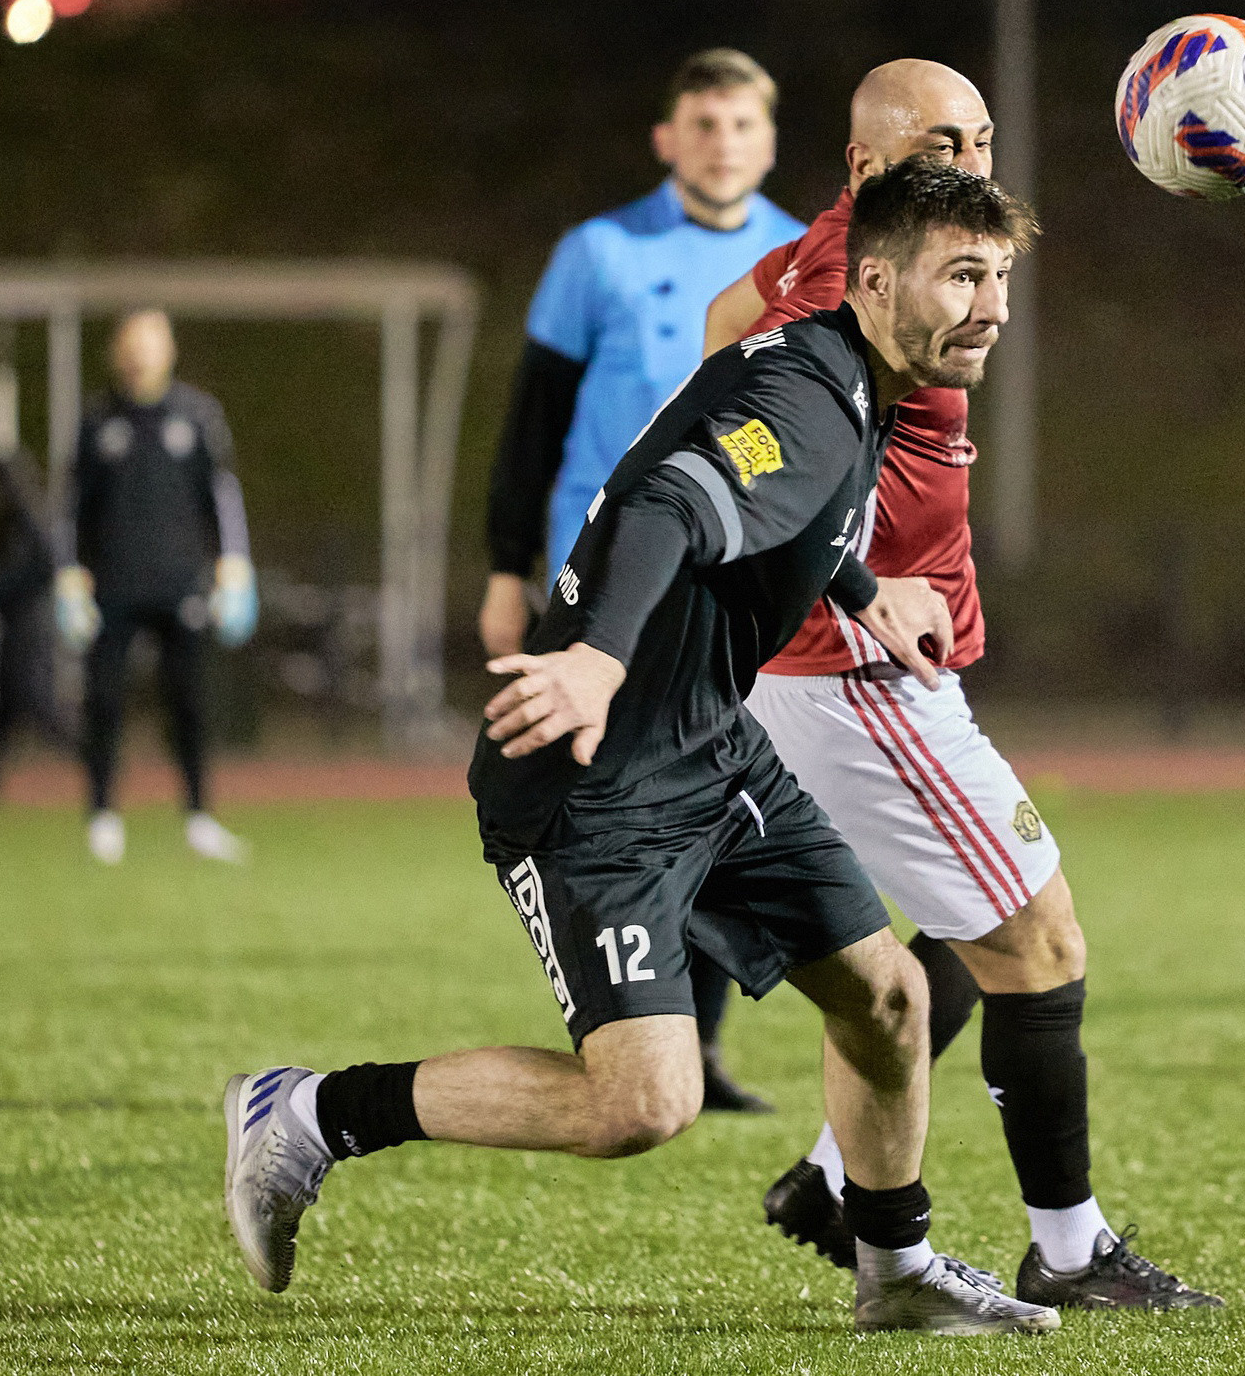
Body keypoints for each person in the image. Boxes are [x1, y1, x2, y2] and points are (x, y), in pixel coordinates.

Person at [221, 158, 1062, 1336]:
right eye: (964, 274)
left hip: (710, 748)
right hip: (593, 781)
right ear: (876, 279)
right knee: (641, 1104)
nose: (993, 306)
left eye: (1003, 277)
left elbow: (781, 519)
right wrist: (600, 660)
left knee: (887, 1000)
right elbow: (674, 497)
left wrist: (865, 589)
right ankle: (308, 1112)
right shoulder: (812, 408)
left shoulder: (843, 370)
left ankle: (897, 1265)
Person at [708, 60, 1221, 1311]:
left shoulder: (831, 250)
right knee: (1039, 940)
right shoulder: (851, 278)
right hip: (858, 670)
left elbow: (728, 324)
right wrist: (861, 567)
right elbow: (772, 432)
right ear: (869, 166)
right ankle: (1071, 1244)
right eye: (946, 140)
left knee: (952, 935)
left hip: (835, 668)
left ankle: (837, 1179)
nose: (976, 162)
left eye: (985, 137)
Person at [482, 47, 802, 1113]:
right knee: (607, 796)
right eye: (703, 123)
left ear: (769, 138)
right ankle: (621, 1019)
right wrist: (500, 564)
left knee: (711, 789)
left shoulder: (799, 257)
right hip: (599, 565)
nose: (723, 143)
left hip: (728, 577)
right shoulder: (599, 253)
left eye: (742, 124)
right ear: (668, 138)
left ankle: (696, 1050)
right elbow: (533, 418)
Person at [57, 309, 257, 864]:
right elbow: (73, 511)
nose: (141, 353)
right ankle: (101, 815)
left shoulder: (197, 417)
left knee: (189, 703)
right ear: (116, 352)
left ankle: (199, 815)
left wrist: (234, 567)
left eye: (152, 341)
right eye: (132, 342)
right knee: (103, 702)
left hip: (181, 586)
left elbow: (222, 499)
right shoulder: (97, 423)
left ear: (170, 350)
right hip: (113, 589)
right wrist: (70, 577)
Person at [0, 448, 74, 801]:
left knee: (39, 705)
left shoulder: (26, 515)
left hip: (29, 624)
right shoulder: (14, 515)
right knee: (4, 708)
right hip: (15, 622)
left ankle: (96, 759)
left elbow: (44, 565)